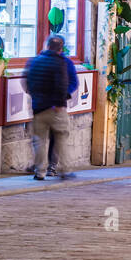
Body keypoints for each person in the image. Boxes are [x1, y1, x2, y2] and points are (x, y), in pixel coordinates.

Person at [25, 35, 76, 181]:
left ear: (47, 46)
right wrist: (60, 104)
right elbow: (62, 84)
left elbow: (28, 82)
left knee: (39, 140)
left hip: (38, 107)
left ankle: (39, 172)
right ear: (61, 48)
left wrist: (36, 99)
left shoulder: (34, 61)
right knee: (61, 137)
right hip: (55, 108)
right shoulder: (61, 63)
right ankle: (64, 169)